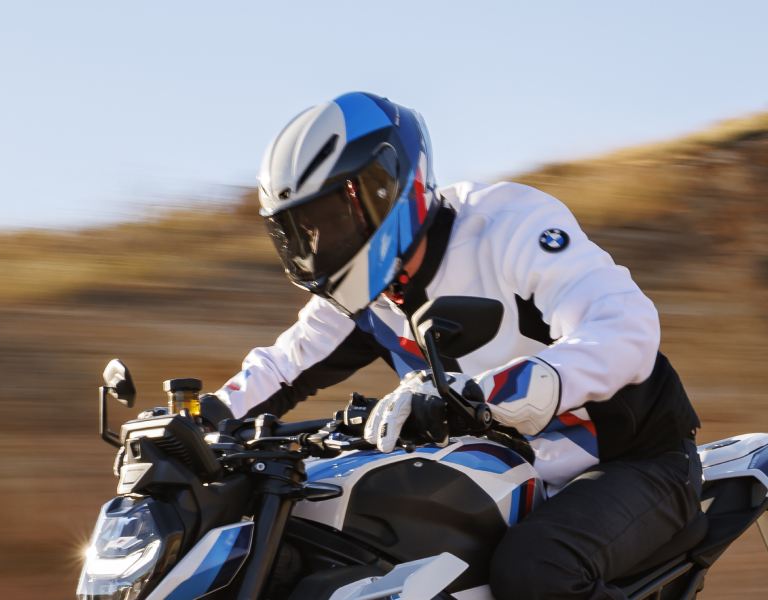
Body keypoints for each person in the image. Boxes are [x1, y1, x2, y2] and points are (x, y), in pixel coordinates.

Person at [213, 92, 702, 599]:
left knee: (535, 572)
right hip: (503, 473)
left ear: (388, 186)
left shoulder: (506, 223)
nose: (319, 245)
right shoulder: (362, 297)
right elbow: (282, 366)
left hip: (633, 459)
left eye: (332, 219)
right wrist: (195, 423)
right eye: (302, 231)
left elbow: (623, 328)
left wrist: (486, 393)